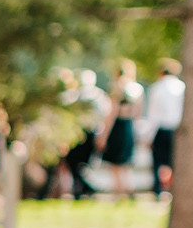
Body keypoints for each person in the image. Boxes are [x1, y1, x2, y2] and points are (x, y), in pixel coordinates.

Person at [99, 59, 142, 200]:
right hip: (128, 126)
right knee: (124, 164)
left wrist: (103, 135)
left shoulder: (117, 87)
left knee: (115, 164)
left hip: (117, 126)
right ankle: (127, 190)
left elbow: (112, 112)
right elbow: (138, 113)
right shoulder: (137, 89)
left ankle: (118, 193)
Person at [61, 69, 107, 199]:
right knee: (77, 163)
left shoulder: (93, 96)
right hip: (82, 133)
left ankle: (84, 188)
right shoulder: (93, 96)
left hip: (87, 132)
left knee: (79, 163)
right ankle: (83, 188)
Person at [144, 58, 185, 197]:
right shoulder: (182, 88)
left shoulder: (156, 88)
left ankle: (157, 190)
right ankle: (176, 188)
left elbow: (153, 114)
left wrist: (149, 135)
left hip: (161, 129)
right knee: (176, 162)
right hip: (177, 130)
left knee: (158, 163)